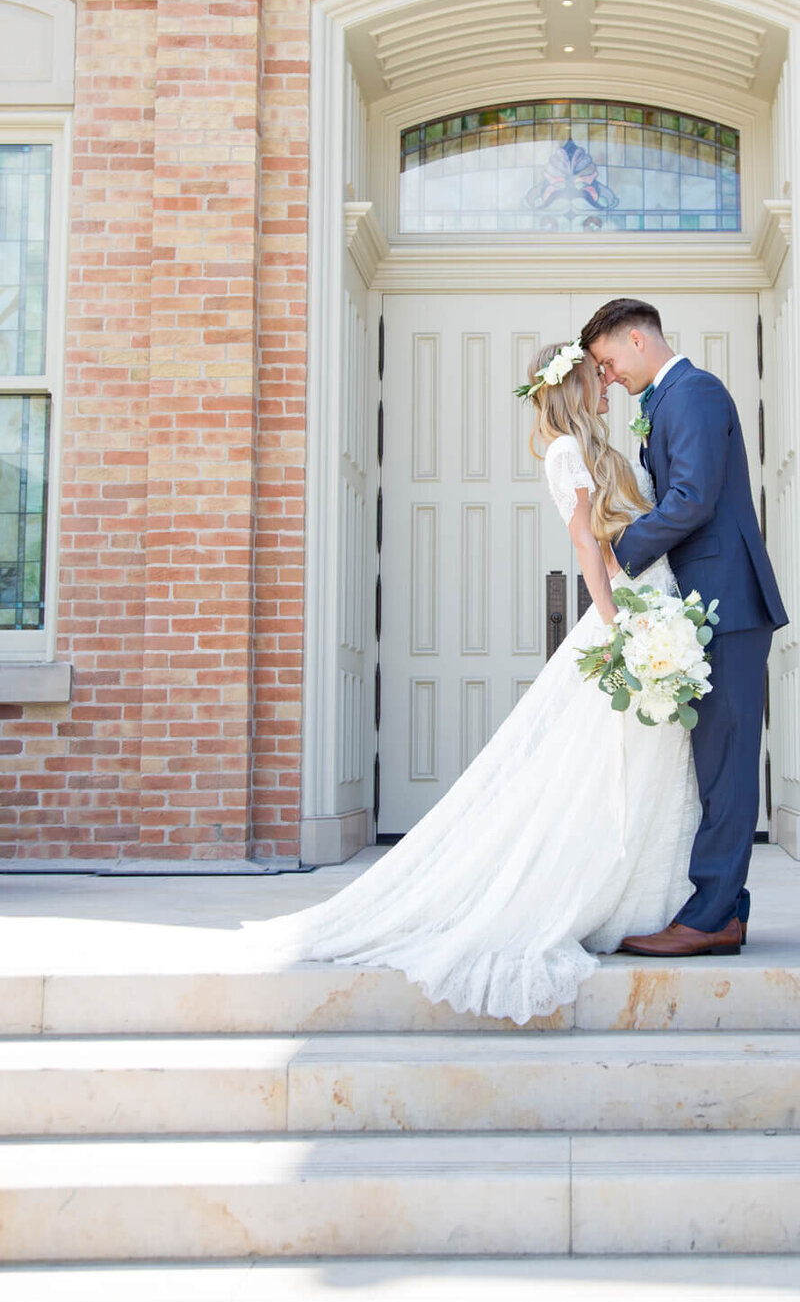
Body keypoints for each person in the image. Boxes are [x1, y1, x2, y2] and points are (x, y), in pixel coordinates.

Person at [244, 339, 700, 1025]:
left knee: (650, 764)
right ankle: (605, 899)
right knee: (607, 767)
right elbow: (587, 548)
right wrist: (618, 629)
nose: (607, 383)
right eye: (596, 376)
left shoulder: (603, 446)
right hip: (629, 617)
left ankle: (650, 901)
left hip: (657, 603)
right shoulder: (563, 453)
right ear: (572, 385)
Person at [581, 298, 787, 958]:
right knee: (709, 766)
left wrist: (620, 555)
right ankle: (724, 906)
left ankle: (712, 917)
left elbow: (693, 496)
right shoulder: (666, 403)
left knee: (724, 767)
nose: (608, 377)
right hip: (701, 604)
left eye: (609, 362)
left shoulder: (694, 393)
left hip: (727, 602)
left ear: (638, 340)